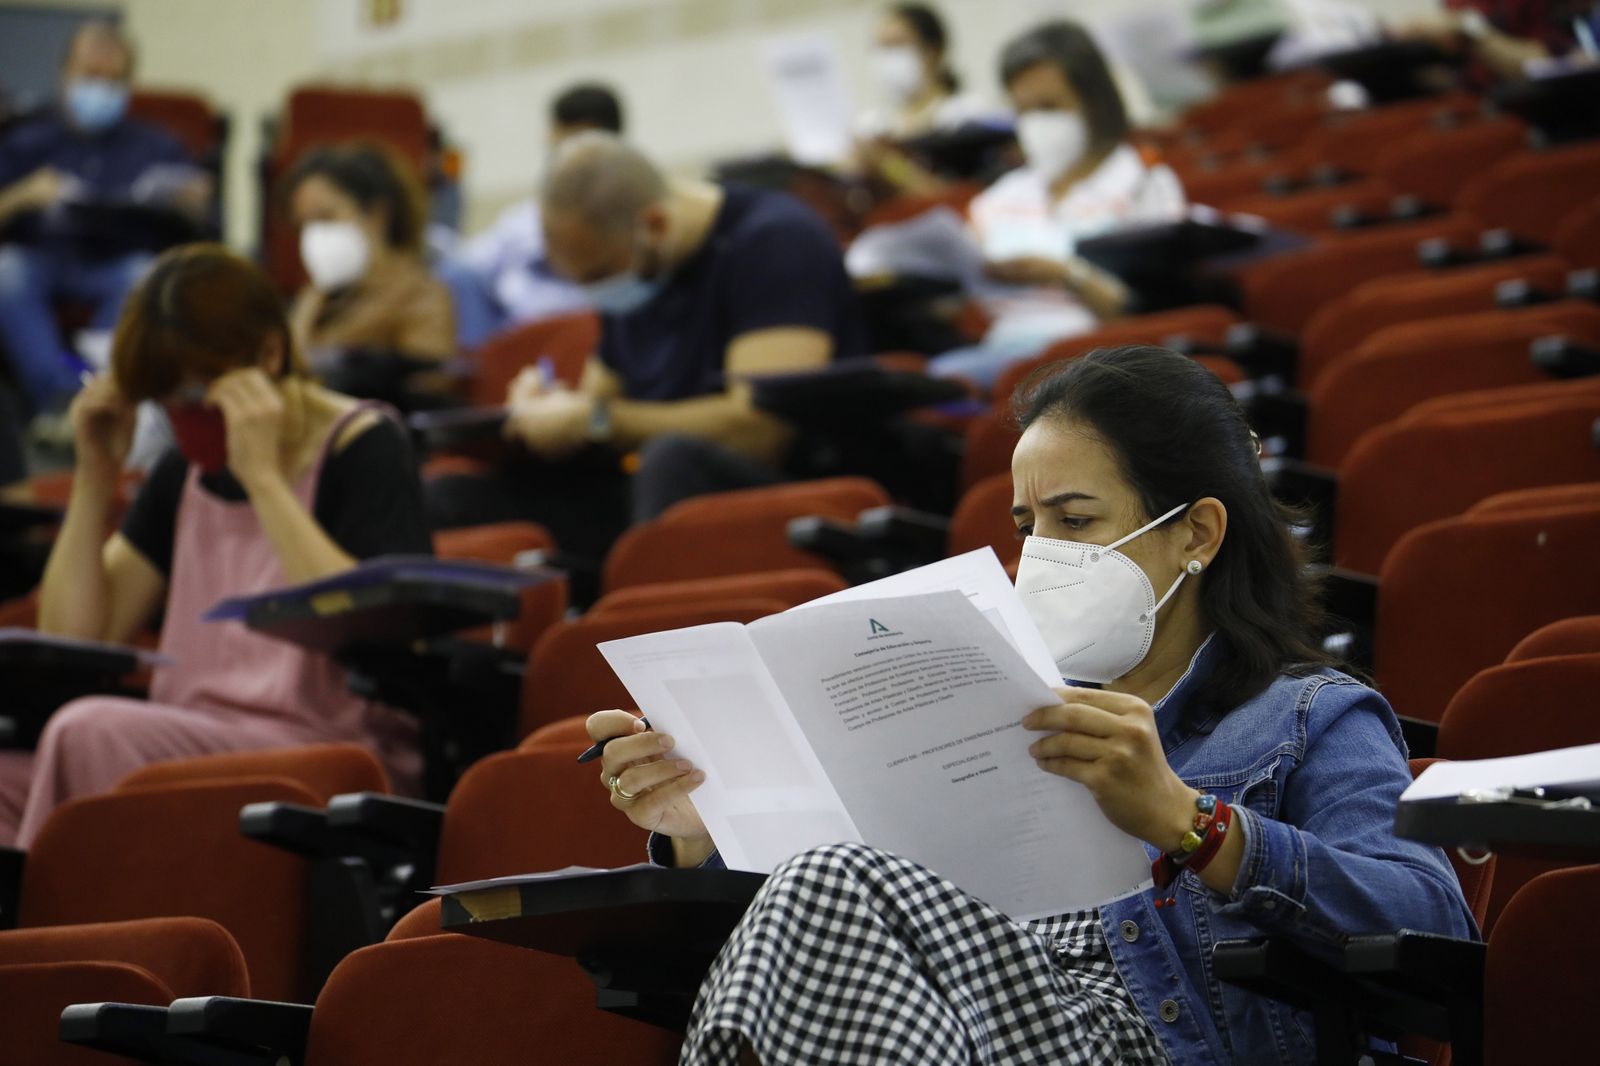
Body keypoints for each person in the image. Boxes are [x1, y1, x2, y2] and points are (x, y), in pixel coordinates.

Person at [588, 345, 1476, 1065]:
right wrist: (706, 831)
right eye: (1026, 526)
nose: (1039, 555)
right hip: (964, 1036)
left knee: (830, 879)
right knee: (823, 880)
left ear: (1197, 534)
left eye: (1076, 520)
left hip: (1166, 1042)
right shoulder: (994, 707)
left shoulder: (1305, 716)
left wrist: (1189, 823)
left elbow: (1433, 927)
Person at [0, 245, 433, 847]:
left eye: (198, 395)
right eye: (166, 402)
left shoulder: (364, 445)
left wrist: (263, 478)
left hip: (318, 743)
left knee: (87, 732)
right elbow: (76, 639)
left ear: (269, 354)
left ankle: (53, 933)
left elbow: (362, 628)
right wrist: (95, 477)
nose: (185, 418)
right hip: (193, 736)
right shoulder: (183, 473)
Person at [426, 132, 865, 572]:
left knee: (672, 459)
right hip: (654, 493)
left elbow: (761, 432)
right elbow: (599, 403)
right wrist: (547, 414)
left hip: (777, 490)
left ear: (654, 224)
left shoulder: (775, 243)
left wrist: (592, 421)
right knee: (455, 497)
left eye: (598, 276)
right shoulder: (636, 264)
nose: (595, 294)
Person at [926, 21, 1187, 392]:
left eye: (1049, 106)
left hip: (1097, 358)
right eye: (1023, 110)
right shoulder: (1001, 197)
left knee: (944, 380)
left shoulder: (1142, 182)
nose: (1035, 124)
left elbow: (1146, 310)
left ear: (1094, 102)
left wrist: (1064, 273)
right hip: (1003, 347)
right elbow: (961, 294)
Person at [0, 21, 210, 420]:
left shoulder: (158, 144)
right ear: (64, 75)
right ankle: (62, 400)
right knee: (5, 272)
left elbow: (200, 227)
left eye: (114, 80)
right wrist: (21, 195)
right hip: (40, 257)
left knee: (147, 275)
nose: (101, 89)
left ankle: (99, 393)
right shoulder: (23, 139)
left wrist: (192, 202)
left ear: (130, 84)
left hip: (120, 262)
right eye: (91, 76)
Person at [437, 83, 625, 350]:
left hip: (593, 338)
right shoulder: (523, 222)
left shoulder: (632, 215)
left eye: (579, 147)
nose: (568, 160)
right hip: (518, 343)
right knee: (453, 274)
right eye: (560, 146)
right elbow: (467, 267)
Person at [283, 141, 454, 363]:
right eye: (304, 225)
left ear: (375, 213)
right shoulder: (316, 298)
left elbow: (427, 385)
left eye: (325, 218)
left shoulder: (423, 298)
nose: (314, 236)